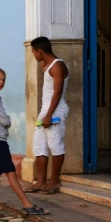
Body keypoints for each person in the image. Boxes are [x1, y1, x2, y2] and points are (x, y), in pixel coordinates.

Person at [0, 68, 48, 218]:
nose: (1, 82)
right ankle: (27, 205)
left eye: (3, 79)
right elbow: (5, 121)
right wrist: (8, 120)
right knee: (11, 173)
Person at [24, 36, 70, 195]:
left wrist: (49, 115)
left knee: (55, 144)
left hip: (55, 110)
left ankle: (54, 181)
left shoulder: (58, 66)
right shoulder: (47, 64)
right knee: (39, 146)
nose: (33, 56)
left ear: (41, 52)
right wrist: (45, 114)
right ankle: (41, 181)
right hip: (45, 111)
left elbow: (57, 92)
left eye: (34, 53)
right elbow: (43, 63)